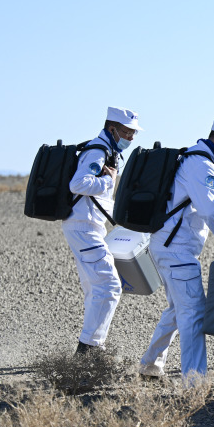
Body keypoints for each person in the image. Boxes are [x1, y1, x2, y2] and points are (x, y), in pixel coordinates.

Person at [138, 115, 214, 379]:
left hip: (166, 246)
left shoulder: (194, 158)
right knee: (194, 314)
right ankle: (194, 384)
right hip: (177, 250)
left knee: (179, 309)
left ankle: (150, 367)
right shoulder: (201, 165)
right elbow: (211, 209)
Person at [64, 107, 143, 354]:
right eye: (127, 133)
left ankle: (90, 346)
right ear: (112, 129)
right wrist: (108, 181)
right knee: (109, 286)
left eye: (133, 134)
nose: (131, 138)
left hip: (88, 226)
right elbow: (78, 183)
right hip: (84, 227)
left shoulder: (107, 150)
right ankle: (89, 349)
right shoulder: (98, 150)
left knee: (95, 287)